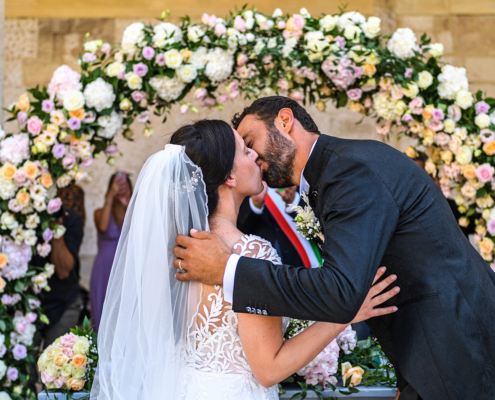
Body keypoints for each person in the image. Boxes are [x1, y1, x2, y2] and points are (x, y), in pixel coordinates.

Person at [173, 97, 495, 400]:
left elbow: (342, 291)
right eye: (245, 150)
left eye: (251, 142)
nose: (254, 156)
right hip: (436, 359)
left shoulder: (348, 172)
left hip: (456, 354)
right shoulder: (335, 172)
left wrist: (228, 269)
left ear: (285, 121)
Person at [90, 120, 399, 400]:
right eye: (244, 150)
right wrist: (345, 313)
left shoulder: (174, 251)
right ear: (229, 176)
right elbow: (269, 369)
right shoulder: (251, 253)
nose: (255, 156)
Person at [90, 172, 132, 331]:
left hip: (126, 271)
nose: (121, 188)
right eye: (118, 185)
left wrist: (128, 204)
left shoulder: (135, 212)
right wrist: (110, 196)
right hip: (104, 271)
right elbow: (102, 226)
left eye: (124, 185)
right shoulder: (99, 212)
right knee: (102, 315)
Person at [37, 207, 84, 346]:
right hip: (27, 305)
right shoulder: (22, 217)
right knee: (24, 365)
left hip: (63, 302)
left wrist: (56, 228)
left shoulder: (71, 219)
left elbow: (63, 271)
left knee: (57, 364)